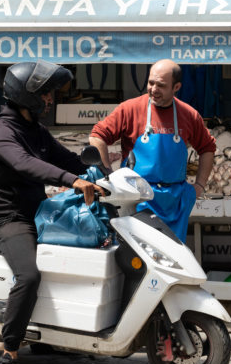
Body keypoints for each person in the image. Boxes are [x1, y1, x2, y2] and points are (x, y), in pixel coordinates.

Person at [0, 60, 103, 364]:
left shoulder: (35, 129)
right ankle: (7, 356)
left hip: (39, 213)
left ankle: (52, 333)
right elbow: (26, 163)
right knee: (30, 276)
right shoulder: (2, 132)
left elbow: (69, 160)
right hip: (8, 218)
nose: (51, 99)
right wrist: (73, 181)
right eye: (47, 93)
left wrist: (105, 173)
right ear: (29, 95)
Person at [88, 59, 216, 242]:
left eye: (161, 85)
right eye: (151, 83)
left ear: (176, 87)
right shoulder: (129, 109)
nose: (154, 89)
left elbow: (208, 148)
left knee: (173, 257)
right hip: (136, 199)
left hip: (175, 203)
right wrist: (108, 174)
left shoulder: (189, 115)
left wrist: (200, 185)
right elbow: (97, 136)